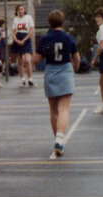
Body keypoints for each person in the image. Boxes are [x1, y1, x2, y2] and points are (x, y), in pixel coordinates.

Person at [32, 10, 80, 156]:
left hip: (51, 71)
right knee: (64, 109)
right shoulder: (68, 38)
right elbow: (76, 58)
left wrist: (44, 54)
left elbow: (35, 60)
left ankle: (58, 140)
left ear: (49, 23)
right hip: (65, 70)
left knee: (53, 110)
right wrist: (74, 69)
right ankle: (59, 139)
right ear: (63, 22)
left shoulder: (45, 39)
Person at [10, 4, 36, 87]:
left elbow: (31, 31)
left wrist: (24, 40)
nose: (21, 11)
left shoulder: (28, 18)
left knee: (27, 60)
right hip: (18, 38)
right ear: (17, 11)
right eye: (19, 9)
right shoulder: (15, 19)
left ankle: (30, 79)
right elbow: (13, 32)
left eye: (22, 9)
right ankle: (22, 79)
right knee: (20, 61)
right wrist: (16, 40)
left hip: (26, 38)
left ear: (24, 10)